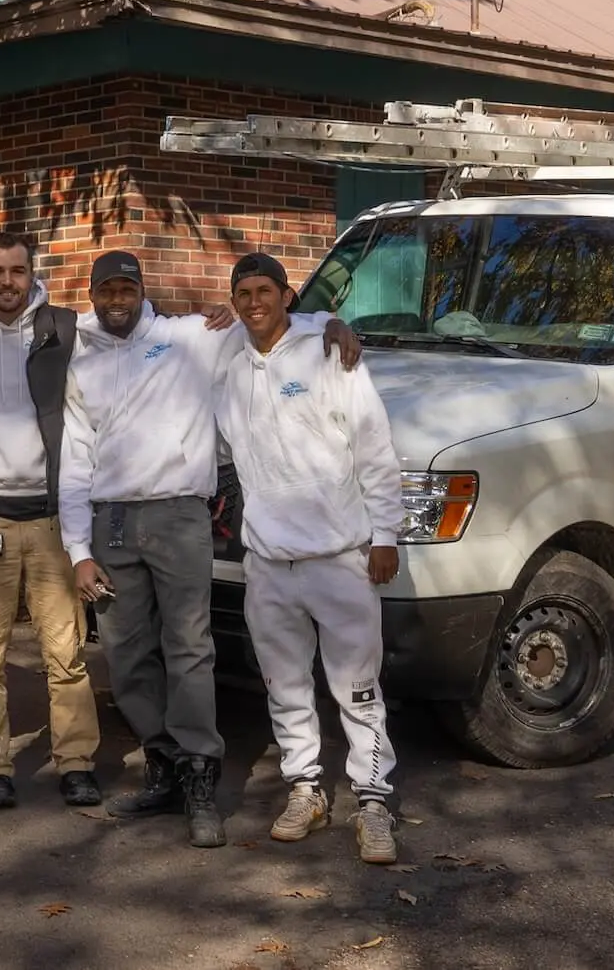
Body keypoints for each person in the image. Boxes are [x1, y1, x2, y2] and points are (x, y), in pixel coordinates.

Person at [61, 250, 360, 849]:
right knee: (126, 653)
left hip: (178, 515)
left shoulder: (192, 336)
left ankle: (201, 774)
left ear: (142, 290)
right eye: (106, 292)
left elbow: (265, 322)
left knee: (189, 647)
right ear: (93, 296)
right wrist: (77, 549)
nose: (117, 301)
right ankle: (164, 765)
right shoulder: (83, 361)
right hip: (111, 523)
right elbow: (74, 456)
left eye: (126, 289)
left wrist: (326, 323)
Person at [212, 252, 406, 864]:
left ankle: (373, 802)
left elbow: (374, 446)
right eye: (242, 292)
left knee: (357, 687)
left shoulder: (330, 352)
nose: (252, 302)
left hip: (339, 555)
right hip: (268, 561)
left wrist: (386, 537)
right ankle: (306, 790)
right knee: (286, 685)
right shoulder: (228, 363)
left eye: (264, 290)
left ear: (287, 295)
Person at [0, 232, 101, 810]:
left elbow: (141, 338)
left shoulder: (64, 327)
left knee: (67, 652)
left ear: (32, 273)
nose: (7, 282)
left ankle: (77, 760)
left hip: (54, 518)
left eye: (17, 271)